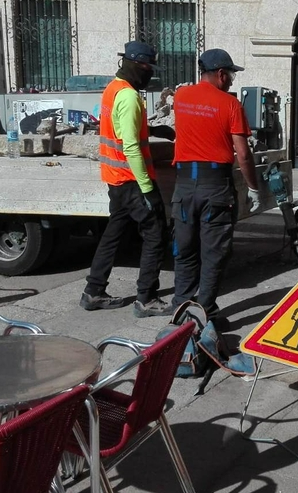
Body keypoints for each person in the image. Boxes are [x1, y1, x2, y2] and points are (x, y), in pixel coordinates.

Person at [170, 48, 262, 327]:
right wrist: (253, 189)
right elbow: (243, 155)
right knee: (213, 253)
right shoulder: (230, 105)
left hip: (184, 186)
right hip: (215, 188)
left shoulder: (181, 97)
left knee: (184, 251)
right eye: (231, 74)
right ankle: (205, 311)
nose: (233, 80)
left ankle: (181, 311)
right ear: (221, 74)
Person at [80, 41, 172, 317]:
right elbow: (130, 146)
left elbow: (120, 129)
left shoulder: (113, 89)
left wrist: (154, 128)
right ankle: (147, 298)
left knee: (113, 235)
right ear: (139, 66)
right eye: (149, 68)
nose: (150, 75)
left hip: (115, 179)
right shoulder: (130, 96)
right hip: (132, 180)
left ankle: (93, 291)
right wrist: (148, 188)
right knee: (156, 234)